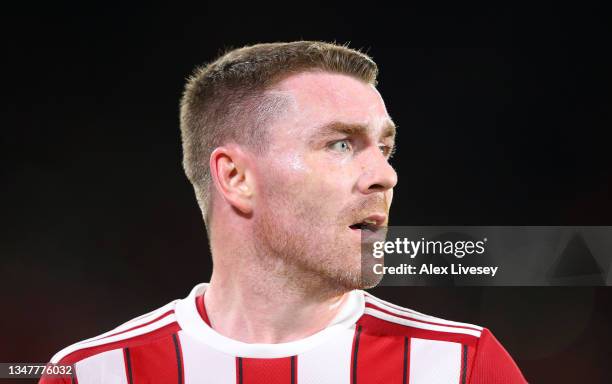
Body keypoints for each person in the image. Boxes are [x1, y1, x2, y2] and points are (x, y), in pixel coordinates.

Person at [40, 41, 526, 383]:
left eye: (385, 148)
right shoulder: (91, 373)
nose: (385, 175)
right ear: (235, 178)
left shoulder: (461, 366)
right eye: (340, 144)